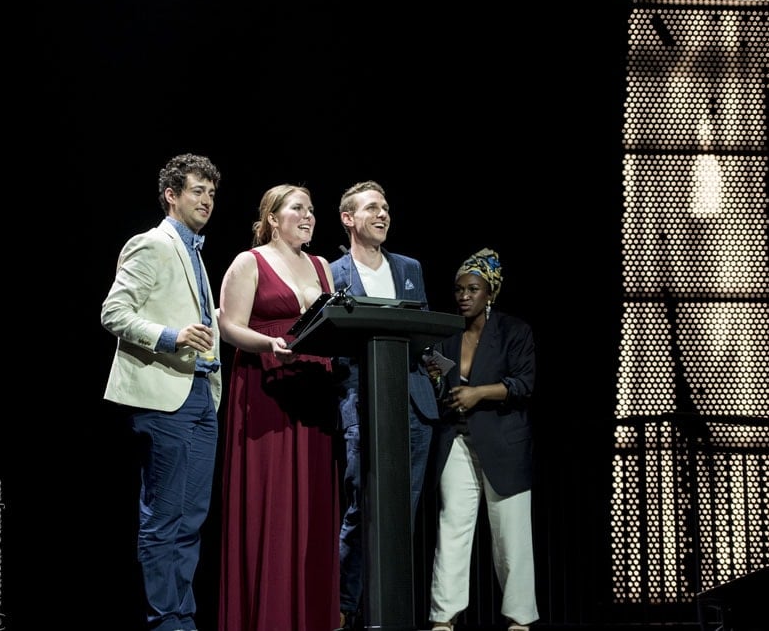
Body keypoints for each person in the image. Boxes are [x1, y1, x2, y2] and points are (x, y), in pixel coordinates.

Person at [101, 153, 223, 631]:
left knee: (191, 519)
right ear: (171, 195)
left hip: (200, 394)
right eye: (197, 191)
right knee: (164, 518)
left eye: (212, 193)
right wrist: (171, 336)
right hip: (164, 397)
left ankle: (182, 617)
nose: (207, 200)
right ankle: (165, 622)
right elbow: (113, 313)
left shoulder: (195, 252)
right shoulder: (151, 244)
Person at [217, 184, 341, 631]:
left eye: (311, 209)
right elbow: (229, 326)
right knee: (272, 501)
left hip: (315, 390)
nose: (308, 216)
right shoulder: (248, 262)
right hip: (267, 384)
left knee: (313, 503)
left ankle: (312, 616)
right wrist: (269, 341)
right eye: (297, 208)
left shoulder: (323, 265)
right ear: (272, 217)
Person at [330, 180, 440, 630]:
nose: (383, 214)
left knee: (403, 513)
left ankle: (390, 609)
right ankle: (344, 606)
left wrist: (434, 361)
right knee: (363, 509)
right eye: (372, 207)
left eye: (387, 207)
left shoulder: (409, 267)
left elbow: (425, 328)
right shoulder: (332, 272)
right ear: (348, 218)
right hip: (362, 401)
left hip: (412, 404)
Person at [426, 248, 538, 631]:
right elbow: (436, 386)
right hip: (457, 439)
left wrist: (479, 393)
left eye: (472, 288)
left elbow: (524, 384)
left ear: (490, 292)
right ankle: (444, 616)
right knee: (453, 527)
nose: (463, 296)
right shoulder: (446, 333)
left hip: (504, 442)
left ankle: (519, 617)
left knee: (511, 535)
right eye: (458, 289)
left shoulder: (514, 331)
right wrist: (439, 382)